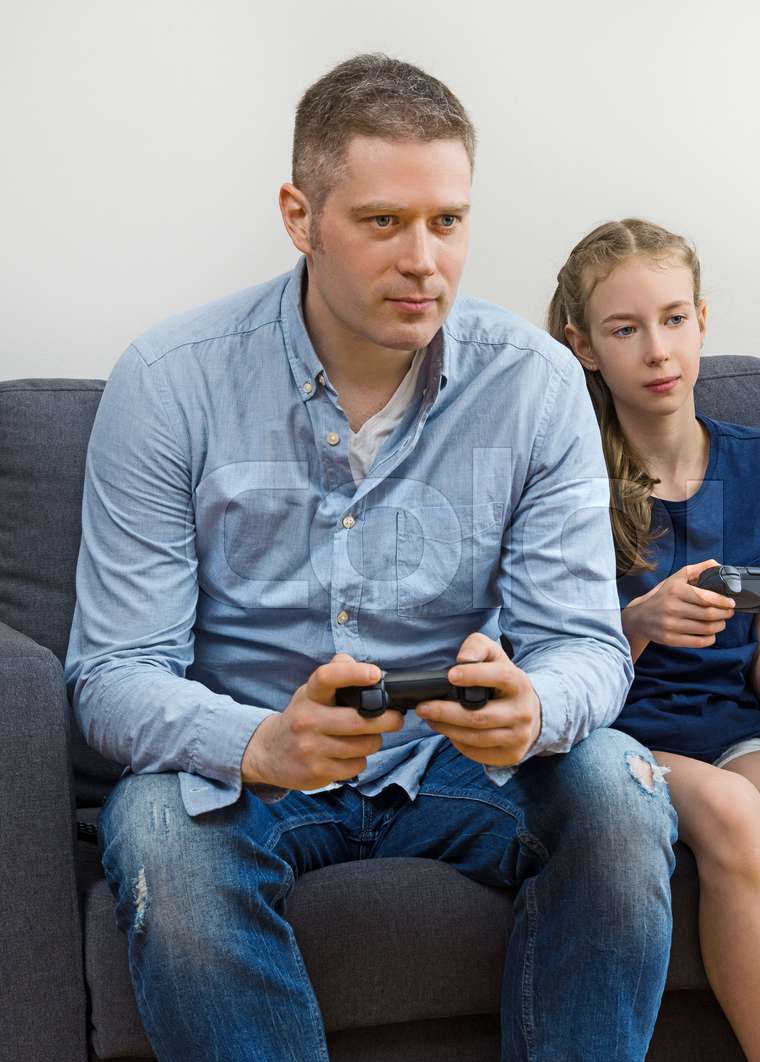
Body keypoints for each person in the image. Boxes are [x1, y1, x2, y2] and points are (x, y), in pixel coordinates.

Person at [65, 55, 675, 1062]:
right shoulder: (170, 383)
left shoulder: (535, 385)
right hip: (251, 766)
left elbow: (585, 648)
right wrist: (262, 745)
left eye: (448, 222)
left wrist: (536, 708)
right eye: (383, 222)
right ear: (300, 216)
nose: (424, 261)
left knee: (618, 782)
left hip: (457, 769)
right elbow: (113, 674)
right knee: (161, 833)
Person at [548, 218, 760, 1062]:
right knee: (736, 812)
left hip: (736, 739)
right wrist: (638, 624)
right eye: (625, 330)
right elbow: (547, 674)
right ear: (585, 347)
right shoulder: (567, 479)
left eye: (673, 319)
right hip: (618, 751)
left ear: (703, 319)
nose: (656, 349)